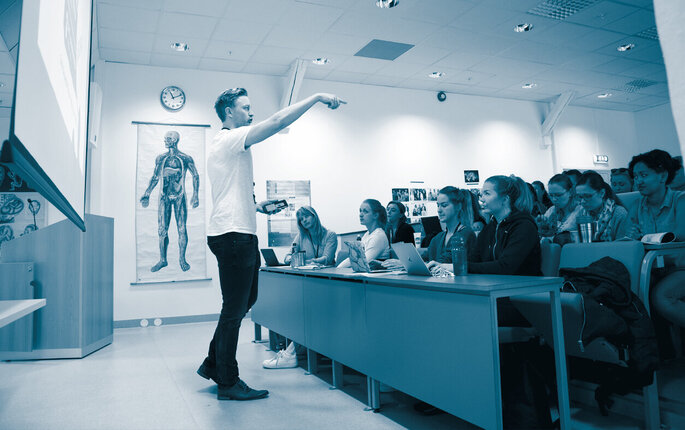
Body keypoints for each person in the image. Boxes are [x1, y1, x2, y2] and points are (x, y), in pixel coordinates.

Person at [198, 88, 345, 401]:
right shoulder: (228, 138)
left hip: (237, 230)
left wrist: (258, 206)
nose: (251, 113)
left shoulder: (228, 148)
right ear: (228, 112)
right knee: (234, 310)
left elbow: (230, 194)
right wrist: (317, 97)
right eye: (246, 108)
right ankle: (227, 380)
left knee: (241, 304)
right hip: (234, 234)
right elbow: (277, 121)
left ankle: (214, 363)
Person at [262, 206, 337, 369]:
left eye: (306, 217)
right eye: (301, 219)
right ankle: (293, 347)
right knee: (293, 308)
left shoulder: (330, 235)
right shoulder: (301, 236)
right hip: (308, 280)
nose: (304, 221)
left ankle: (291, 352)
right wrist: (292, 257)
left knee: (306, 312)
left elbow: (328, 258)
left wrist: (305, 260)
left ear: (314, 216)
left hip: (327, 283)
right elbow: (289, 255)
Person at [627, 150, 685, 357]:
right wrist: (633, 235)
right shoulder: (636, 205)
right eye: (635, 177)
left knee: (662, 297)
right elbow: (630, 238)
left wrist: (647, 235)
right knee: (626, 294)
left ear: (662, 176)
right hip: (652, 268)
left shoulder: (680, 199)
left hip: (680, 267)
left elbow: (681, 233)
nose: (638, 181)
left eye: (644, 175)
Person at [140, 130, 200, 272]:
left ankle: (182, 259)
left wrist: (196, 194)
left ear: (175, 140)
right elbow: (155, 177)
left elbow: (196, 175)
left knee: (181, 228)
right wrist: (147, 193)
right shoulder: (161, 158)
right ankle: (163, 260)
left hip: (179, 196)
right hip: (164, 196)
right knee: (162, 230)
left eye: (168, 138)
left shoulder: (185, 158)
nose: (165, 140)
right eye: (165, 138)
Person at [469, 175, 541, 278]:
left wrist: (463, 267)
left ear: (505, 199)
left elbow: (506, 267)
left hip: (523, 287)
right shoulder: (490, 227)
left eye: (487, 194)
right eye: (481, 194)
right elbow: (473, 259)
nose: (482, 199)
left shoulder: (524, 226)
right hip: (496, 285)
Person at [421, 187, 476, 274]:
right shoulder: (437, 238)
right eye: (438, 205)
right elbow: (425, 256)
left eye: (444, 205)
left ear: (458, 206)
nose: (439, 210)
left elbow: (445, 260)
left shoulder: (466, 234)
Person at [575, 171, 631, 242]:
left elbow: (624, 246)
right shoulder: (581, 212)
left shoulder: (619, 214)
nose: (582, 201)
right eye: (579, 197)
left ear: (602, 193)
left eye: (587, 196)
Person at [338, 199, 390, 268]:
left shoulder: (379, 236)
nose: (361, 215)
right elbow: (353, 258)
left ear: (375, 215)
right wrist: (338, 269)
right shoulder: (367, 234)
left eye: (365, 212)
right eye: (360, 211)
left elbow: (364, 261)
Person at [537, 174, 582, 244]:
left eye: (558, 195)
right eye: (551, 195)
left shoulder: (580, 211)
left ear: (570, 192)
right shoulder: (551, 210)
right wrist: (541, 228)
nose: (554, 199)